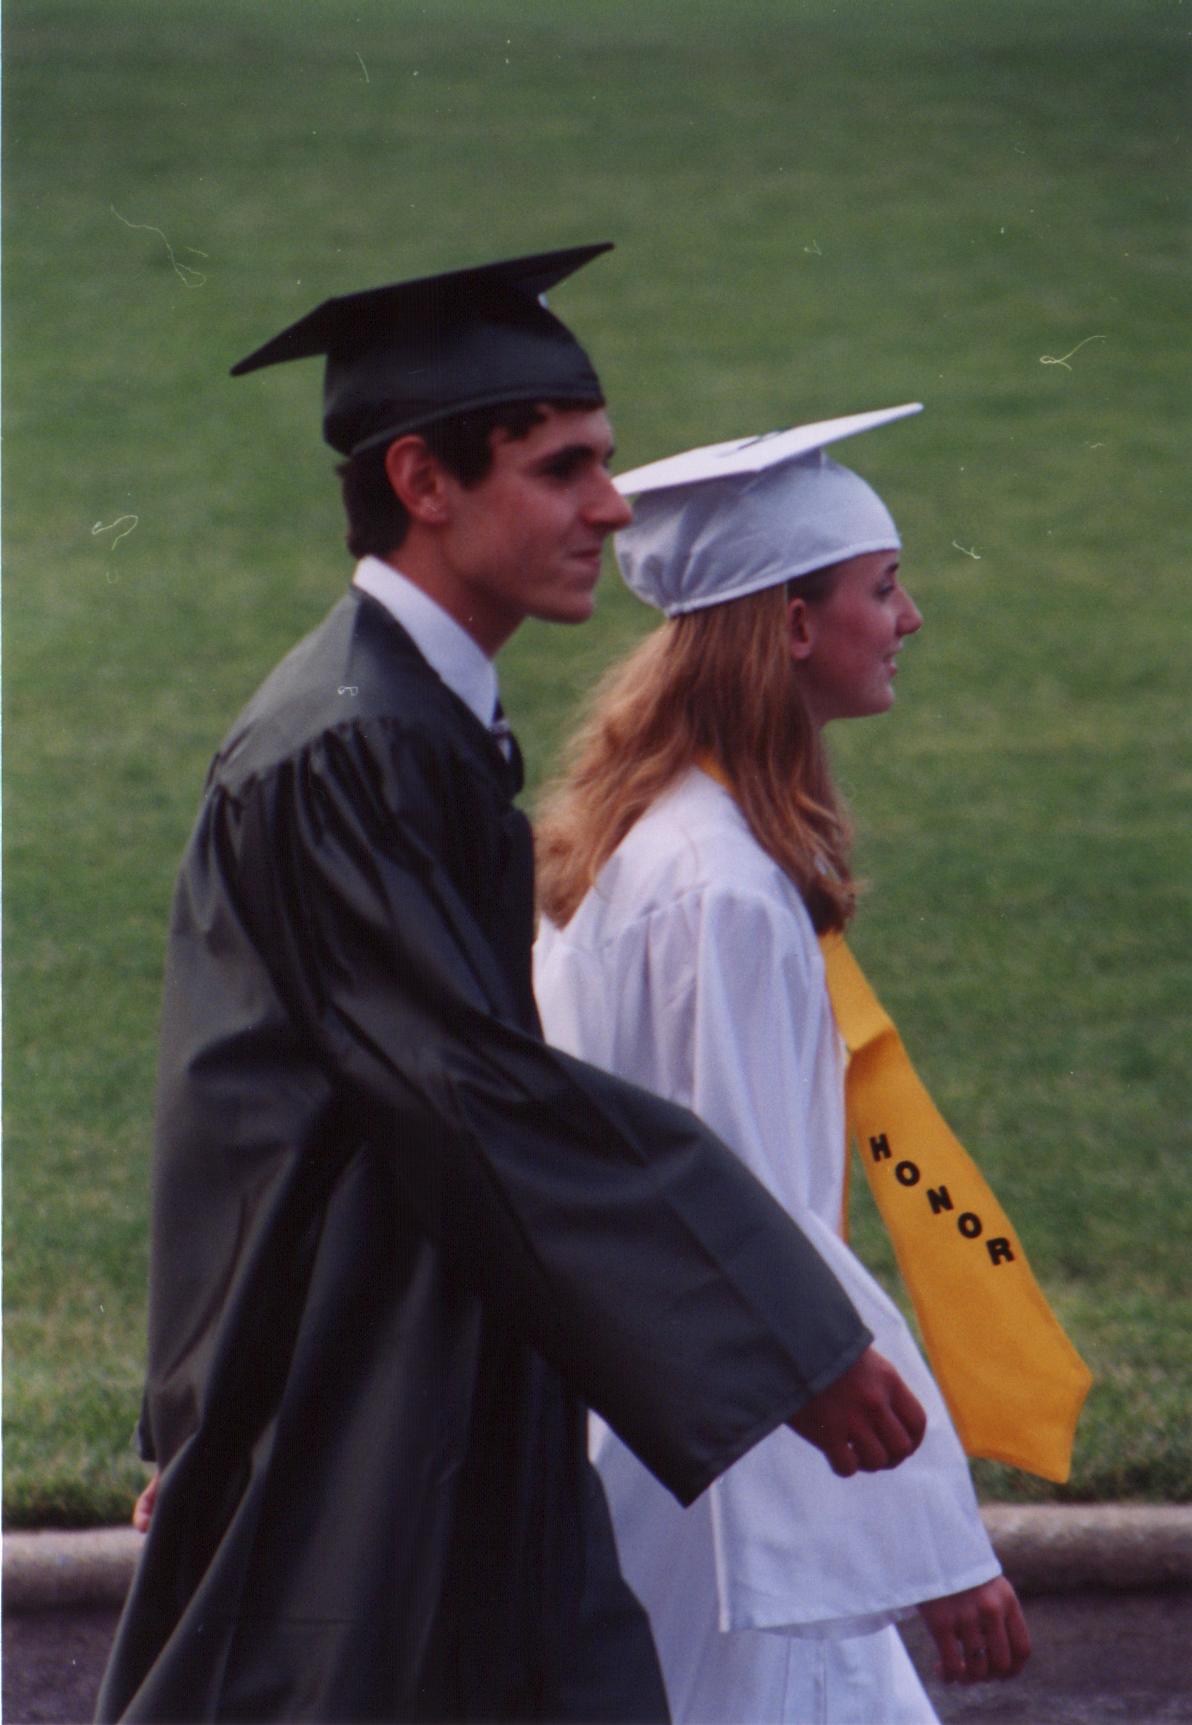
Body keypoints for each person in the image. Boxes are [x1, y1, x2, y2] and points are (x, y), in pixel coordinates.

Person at [96, 251, 929, 1725]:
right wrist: (782, 1330)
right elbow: (467, 1087)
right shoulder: (353, 743)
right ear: (423, 480)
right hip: (366, 1391)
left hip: (440, 1356)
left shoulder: (414, 717)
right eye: (563, 469)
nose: (610, 509)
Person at [534, 406, 1032, 1724]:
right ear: (795, 626)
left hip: (675, 1415)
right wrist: (931, 1535)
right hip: (729, 1468)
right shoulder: (720, 888)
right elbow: (757, 1225)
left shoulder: (664, 834)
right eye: (884, 586)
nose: (911, 615)